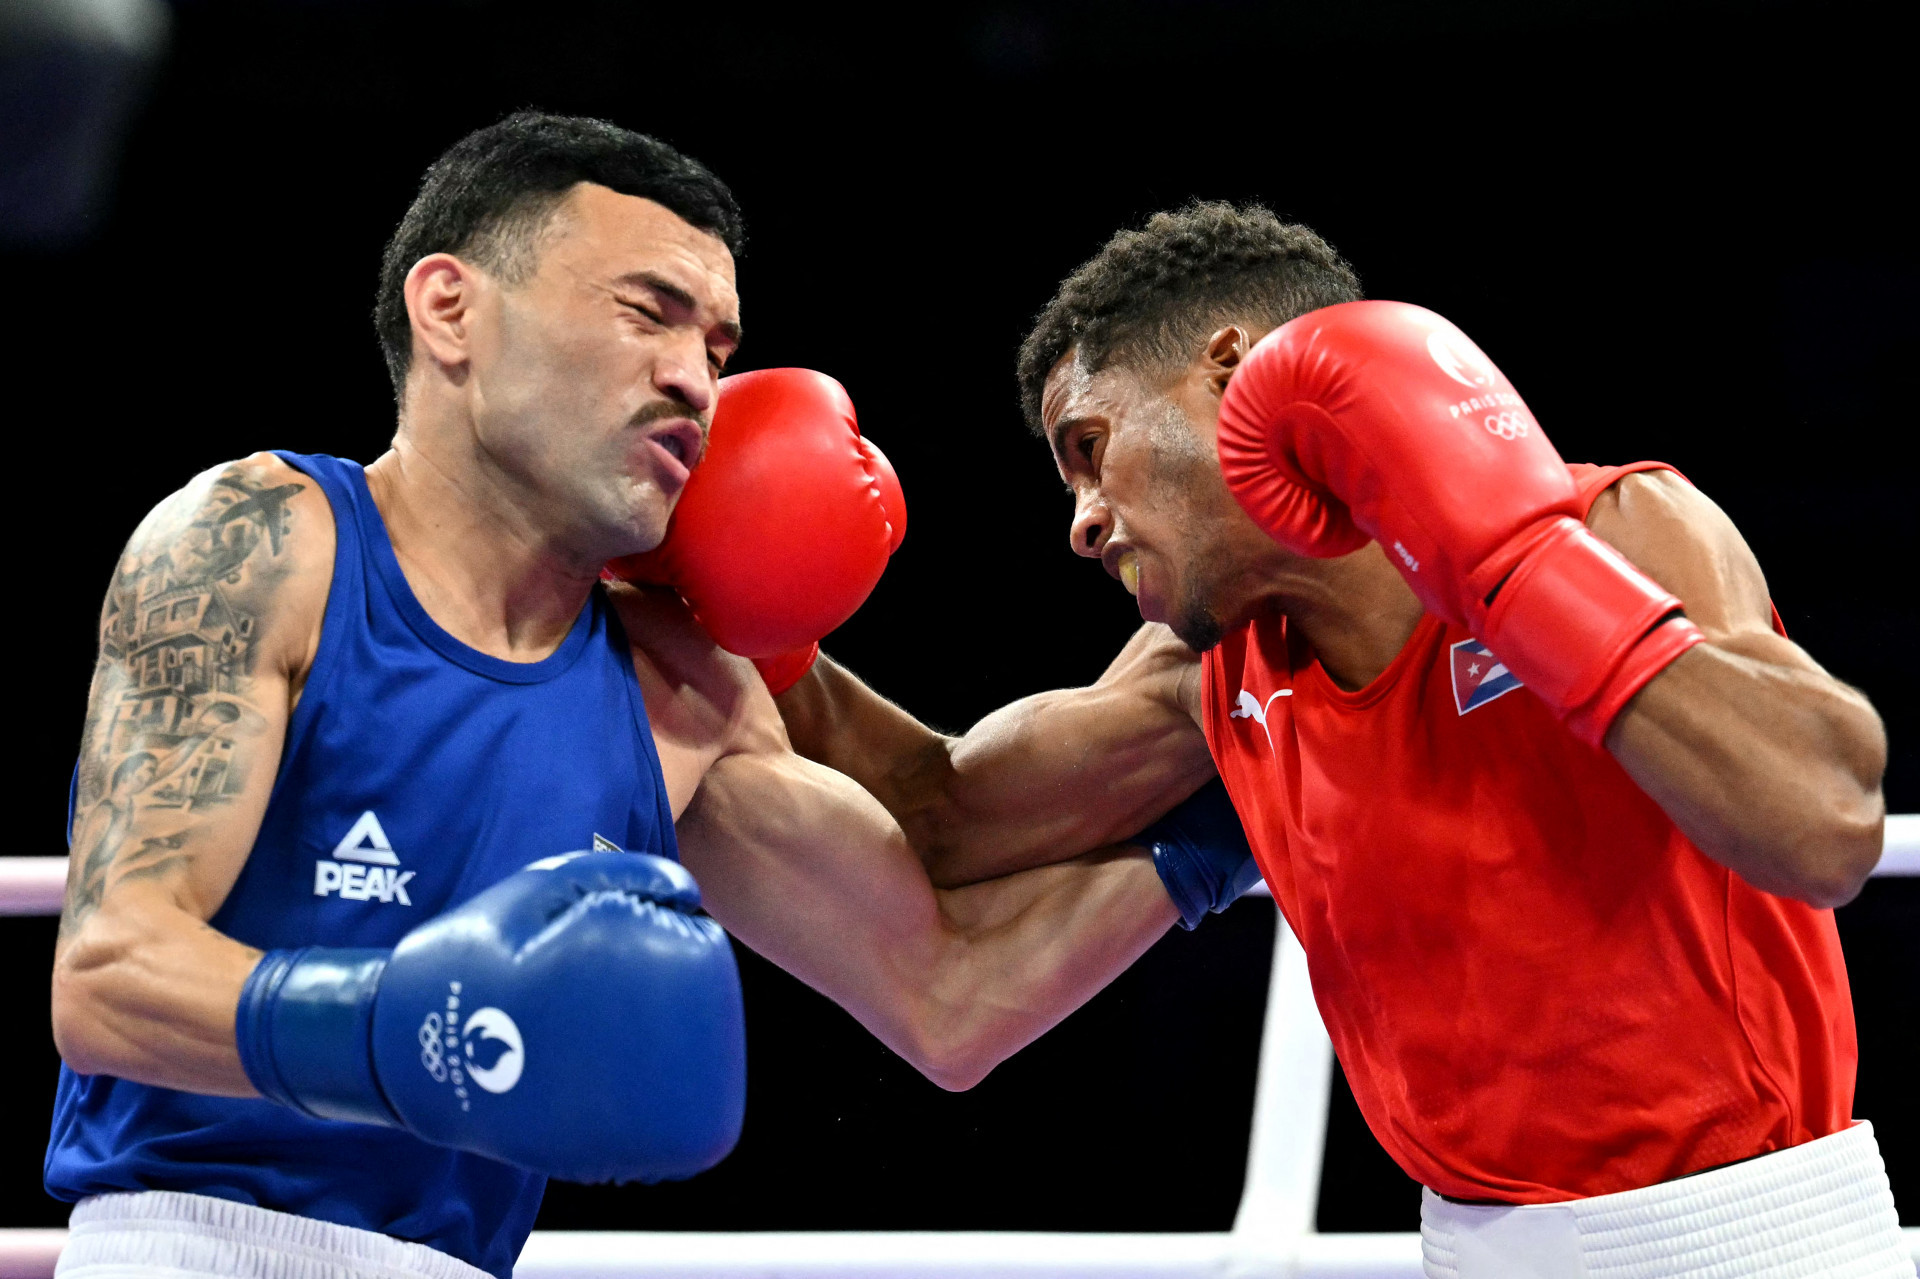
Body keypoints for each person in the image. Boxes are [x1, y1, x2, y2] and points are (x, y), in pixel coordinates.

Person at [46, 113, 1214, 1279]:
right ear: (450, 308)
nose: (694, 380)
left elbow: (949, 994)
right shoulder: (262, 543)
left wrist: (1215, 834)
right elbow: (108, 977)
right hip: (188, 1244)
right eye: (648, 312)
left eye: (716, 344)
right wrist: (417, 1027)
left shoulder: (681, 688)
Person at [766, 202, 1910, 1275]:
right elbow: (942, 813)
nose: (1083, 523)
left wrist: (1512, 571)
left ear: (1233, 371)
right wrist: (738, 598)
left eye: (1090, 446)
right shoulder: (1211, 674)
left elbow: (1825, 826)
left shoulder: (1612, 526)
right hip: (1470, 1245)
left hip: (1753, 1239)